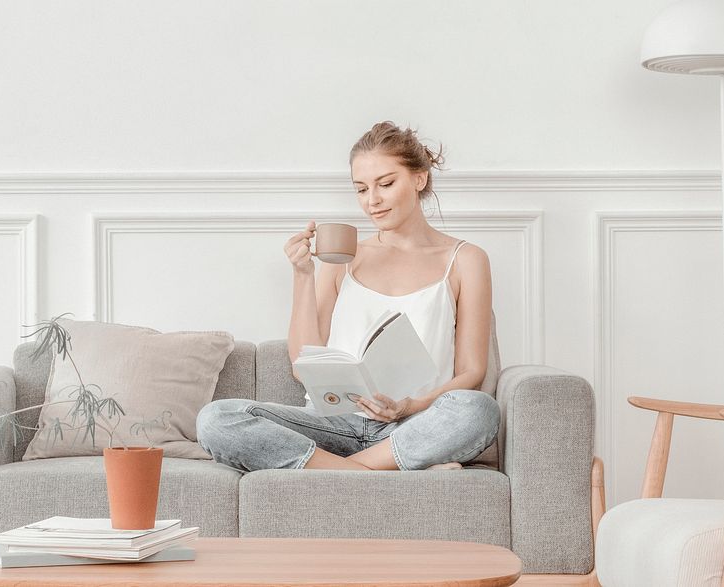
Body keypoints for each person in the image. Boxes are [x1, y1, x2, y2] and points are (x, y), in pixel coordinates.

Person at [196, 121, 499, 471]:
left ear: (420, 179)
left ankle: (335, 471)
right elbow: (301, 365)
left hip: (414, 425)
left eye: (386, 184)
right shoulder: (345, 257)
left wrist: (409, 407)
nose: (373, 201)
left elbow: (471, 372)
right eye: (361, 189)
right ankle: (378, 473)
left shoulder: (467, 260)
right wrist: (303, 275)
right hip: (333, 424)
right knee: (218, 417)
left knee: (478, 410)